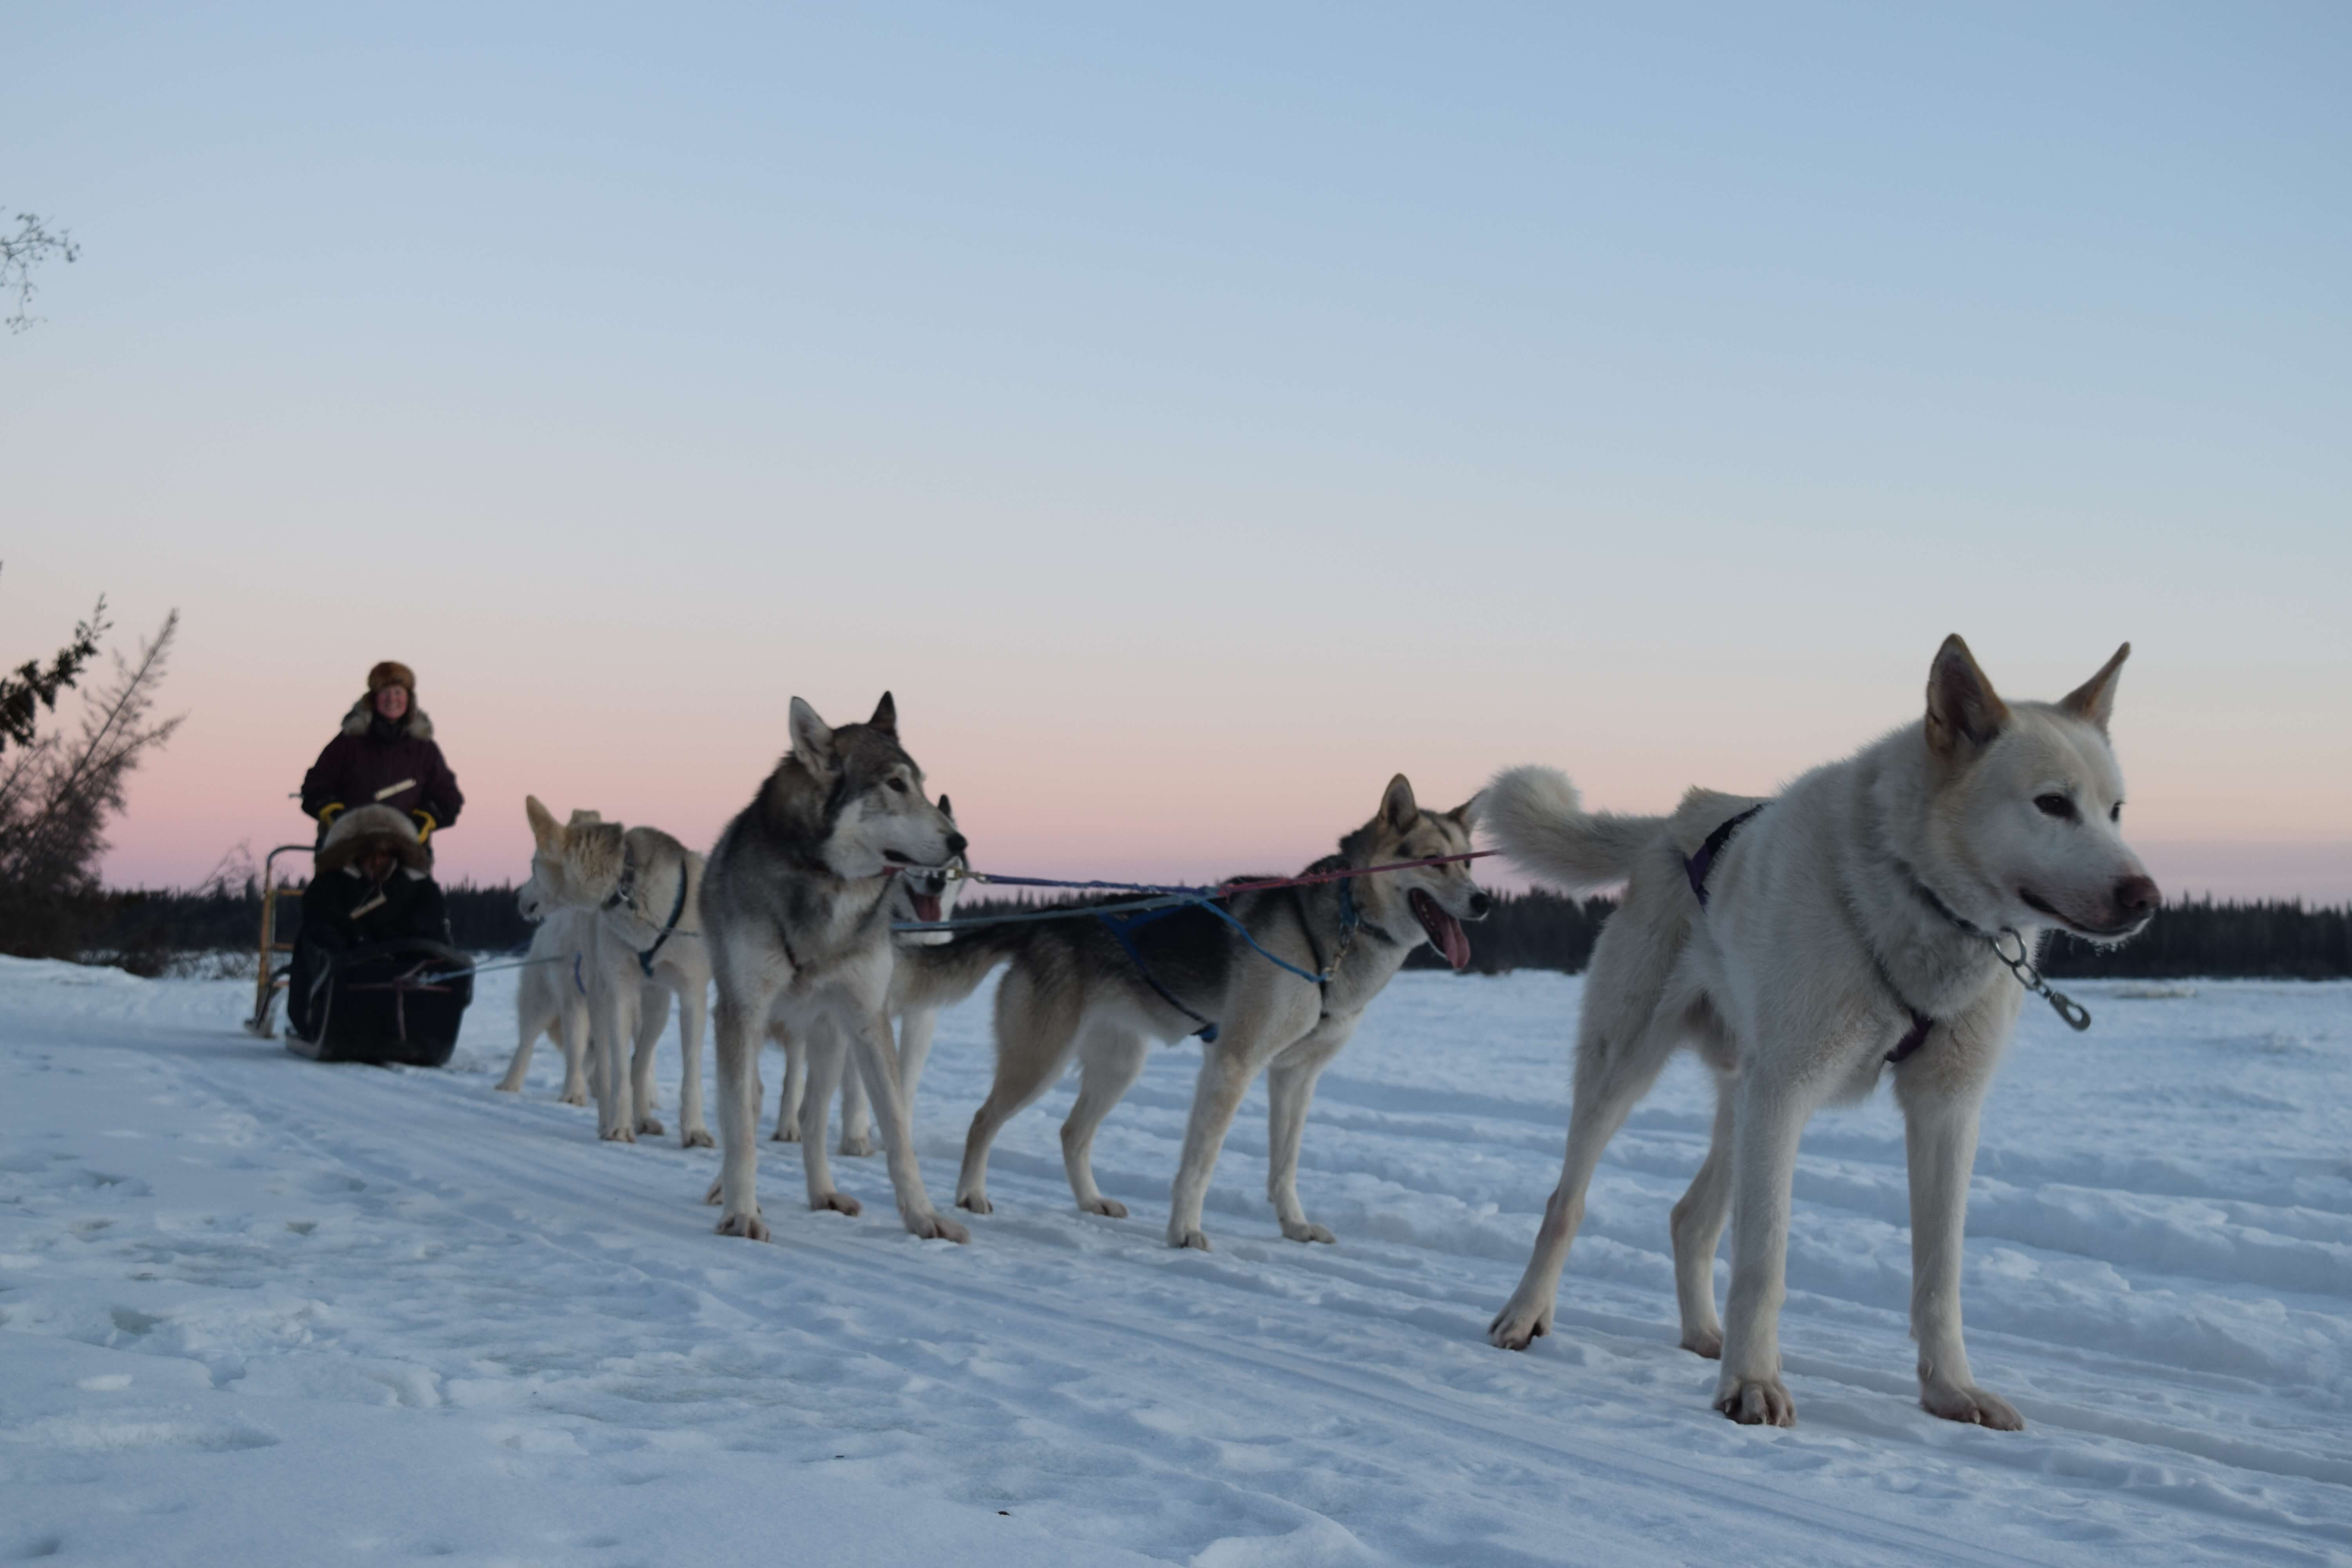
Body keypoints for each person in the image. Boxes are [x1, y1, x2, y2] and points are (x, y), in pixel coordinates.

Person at [284, 804, 454, 1043]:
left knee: (438, 943)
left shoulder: (420, 886)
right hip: (346, 963)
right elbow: (321, 916)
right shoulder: (330, 883)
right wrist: (360, 939)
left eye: (384, 854)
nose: (377, 861)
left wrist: (393, 939)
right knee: (318, 936)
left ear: (397, 855)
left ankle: (429, 1022)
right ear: (354, 854)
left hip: (404, 965)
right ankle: (315, 1015)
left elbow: (431, 919)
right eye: (369, 854)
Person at [300, 661, 463, 851]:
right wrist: (335, 815)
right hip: (349, 849)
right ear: (373, 699)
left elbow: (448, 799)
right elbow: (315, 787)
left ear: (409, 699)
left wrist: (423, 821)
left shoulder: (425, 750)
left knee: (416, 872)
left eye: (398, 692)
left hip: (405, 851)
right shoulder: (347, 743)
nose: (392, 699)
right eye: (385, 692)